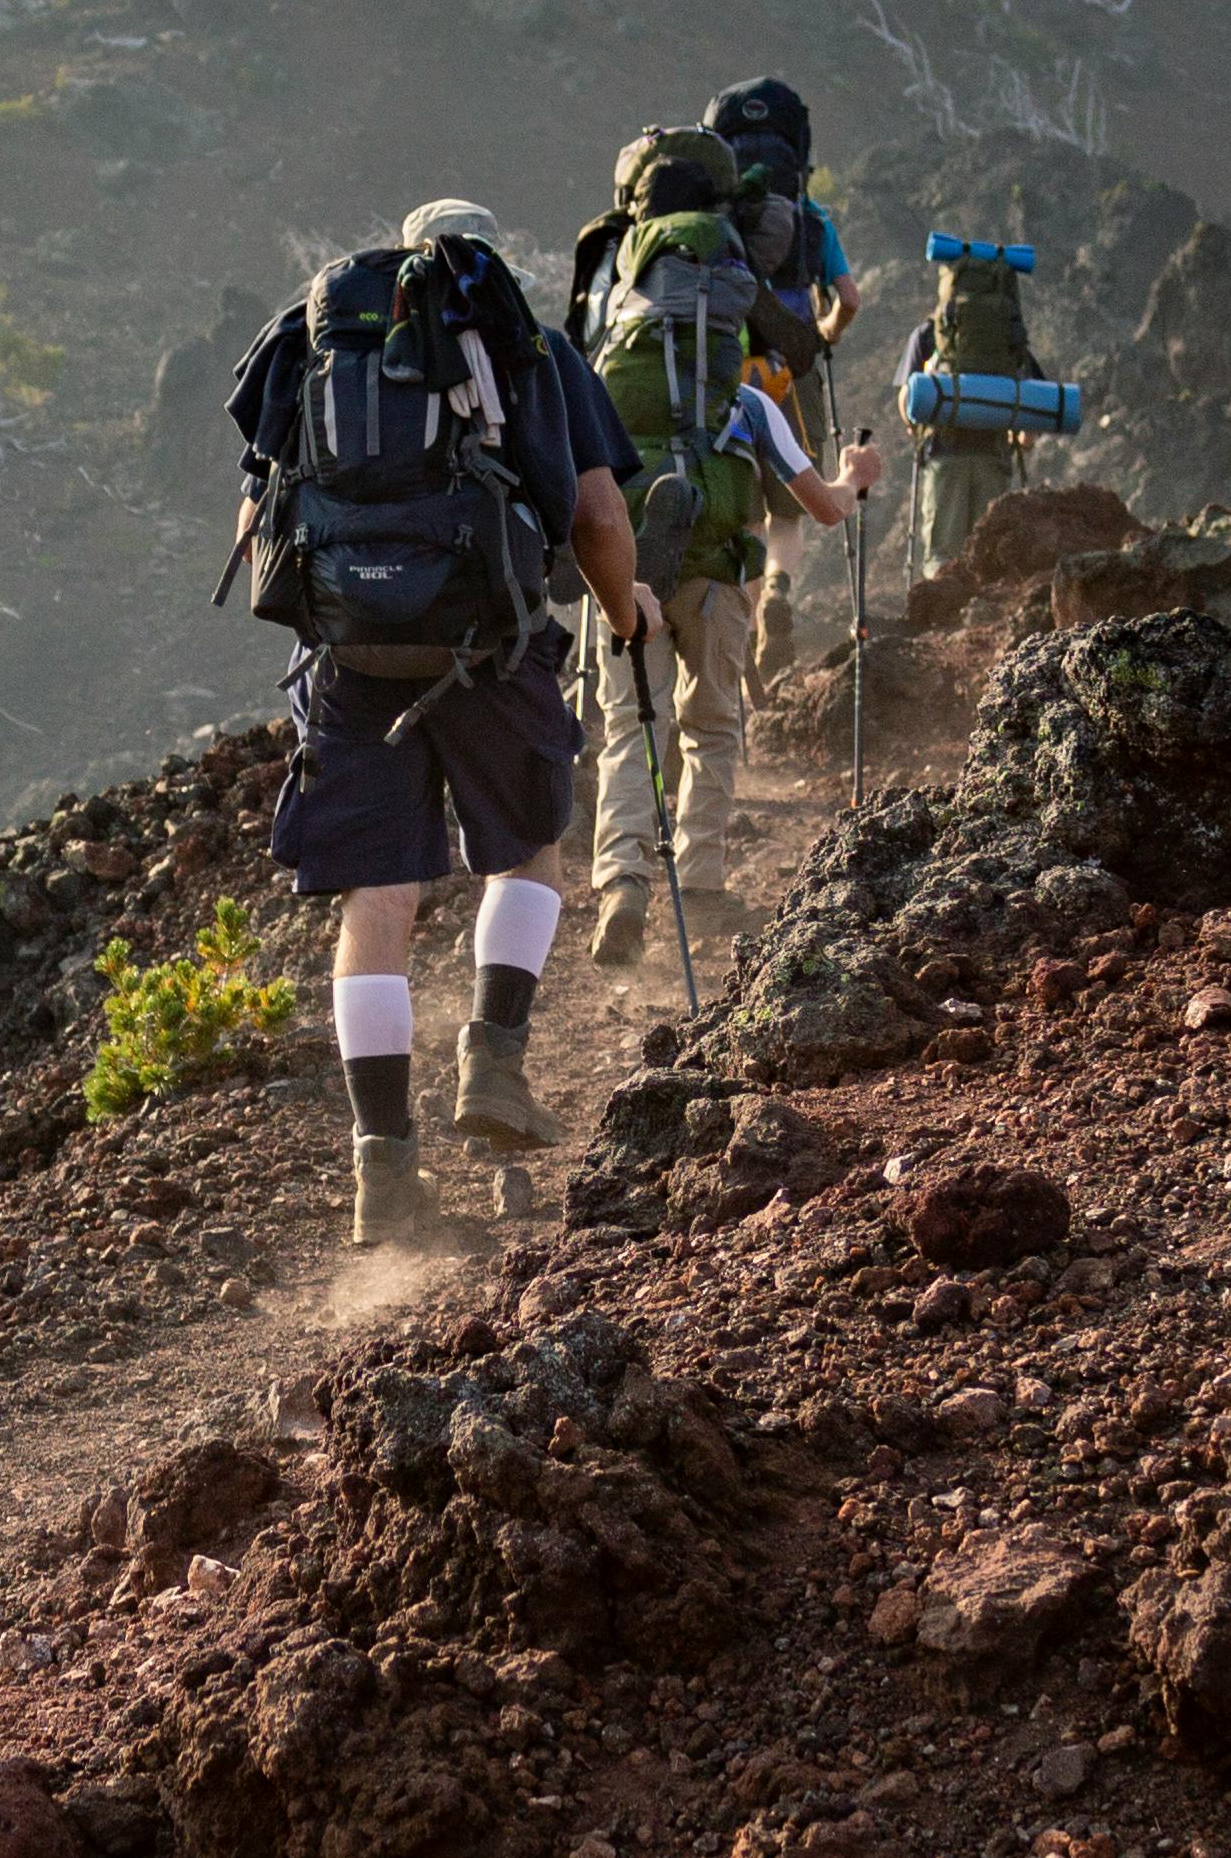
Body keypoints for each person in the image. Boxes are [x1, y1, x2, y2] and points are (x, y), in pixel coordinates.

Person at [229, 200, 656, 1246]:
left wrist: (348, 605)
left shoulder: (313, 348)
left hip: (353, 662)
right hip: (488, 647)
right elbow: (598, 517)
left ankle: (385, 1175)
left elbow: (258, 520)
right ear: (489, 260)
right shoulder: (531, 348)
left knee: (376, 901)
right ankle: (493, 1066)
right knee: (527, 858)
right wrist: (620, 610)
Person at [573, 216, 885, 961]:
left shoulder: (605, 390)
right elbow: (823, 508)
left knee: (627, 730)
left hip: (627, 582)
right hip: (718, 582)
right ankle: (703, 887)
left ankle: (622, 882)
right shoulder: (747, 403)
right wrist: (856, 475)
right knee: (710, 729)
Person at [704, 78, 862, 678]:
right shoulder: (812, 216)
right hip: (791, 375)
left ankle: (739, 630)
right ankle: (780, 594)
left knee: (741, 515)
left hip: (725, 374)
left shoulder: (716, 218)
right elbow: (849, 299)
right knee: (788, 513)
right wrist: (822, 335)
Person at [900, 232, 1055, 582]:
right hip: (993, 457)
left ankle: (938, 628)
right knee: (992, 561)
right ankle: (982, 625)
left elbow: (907, 402)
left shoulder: (930, 333)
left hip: (945, 454)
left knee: (942, 558)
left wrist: (921, 425)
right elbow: (1032, 420)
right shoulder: (1011, 336)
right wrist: (1017, 440)